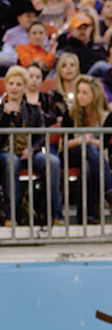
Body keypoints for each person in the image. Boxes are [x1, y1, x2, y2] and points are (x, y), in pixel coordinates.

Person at [0, 65, 62, 226]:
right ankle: (10, 215)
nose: (14, 87)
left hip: (29, 152)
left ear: (25, 87)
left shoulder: (33, 110)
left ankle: (56, 215)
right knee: (10, 162)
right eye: (11, 83)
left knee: (52, 161)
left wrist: (33, 149)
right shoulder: (0, 110)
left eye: (19, 84)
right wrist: (5, 117)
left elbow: (41, 134)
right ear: (6, 85)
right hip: (6, 152)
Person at [61, 75, 112, 224]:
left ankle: (86, 216)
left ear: (95, 95)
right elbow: (64, 144)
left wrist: (89, 141)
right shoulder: (70, 114)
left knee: (87, 165)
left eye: (85, 93)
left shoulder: (106, 116)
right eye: (79, 92)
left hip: (93, 157)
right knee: (90, 150)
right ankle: (109, 192)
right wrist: (82, 140)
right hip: (73, 154)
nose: (80, 96)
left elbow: (104, 144)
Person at [0, 1, 42, 69]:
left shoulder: (41, 31)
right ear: (19, 18)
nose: (32, 19)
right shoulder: (10, 34)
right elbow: (6, 54)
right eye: (28, 16)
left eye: (34, 16)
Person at [51, 52, 81, 120]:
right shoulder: (53, 96)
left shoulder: (85, 93)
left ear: (77, 69)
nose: (68, 68)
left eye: (72, 65)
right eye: (64, 66)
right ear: (60, 71)